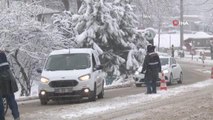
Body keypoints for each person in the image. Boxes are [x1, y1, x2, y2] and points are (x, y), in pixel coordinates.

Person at [0, 50, 20, 120]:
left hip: (2, 79)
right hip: (8, 79)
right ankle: (16, 117)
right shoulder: (2, 54)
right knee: (11, 99)